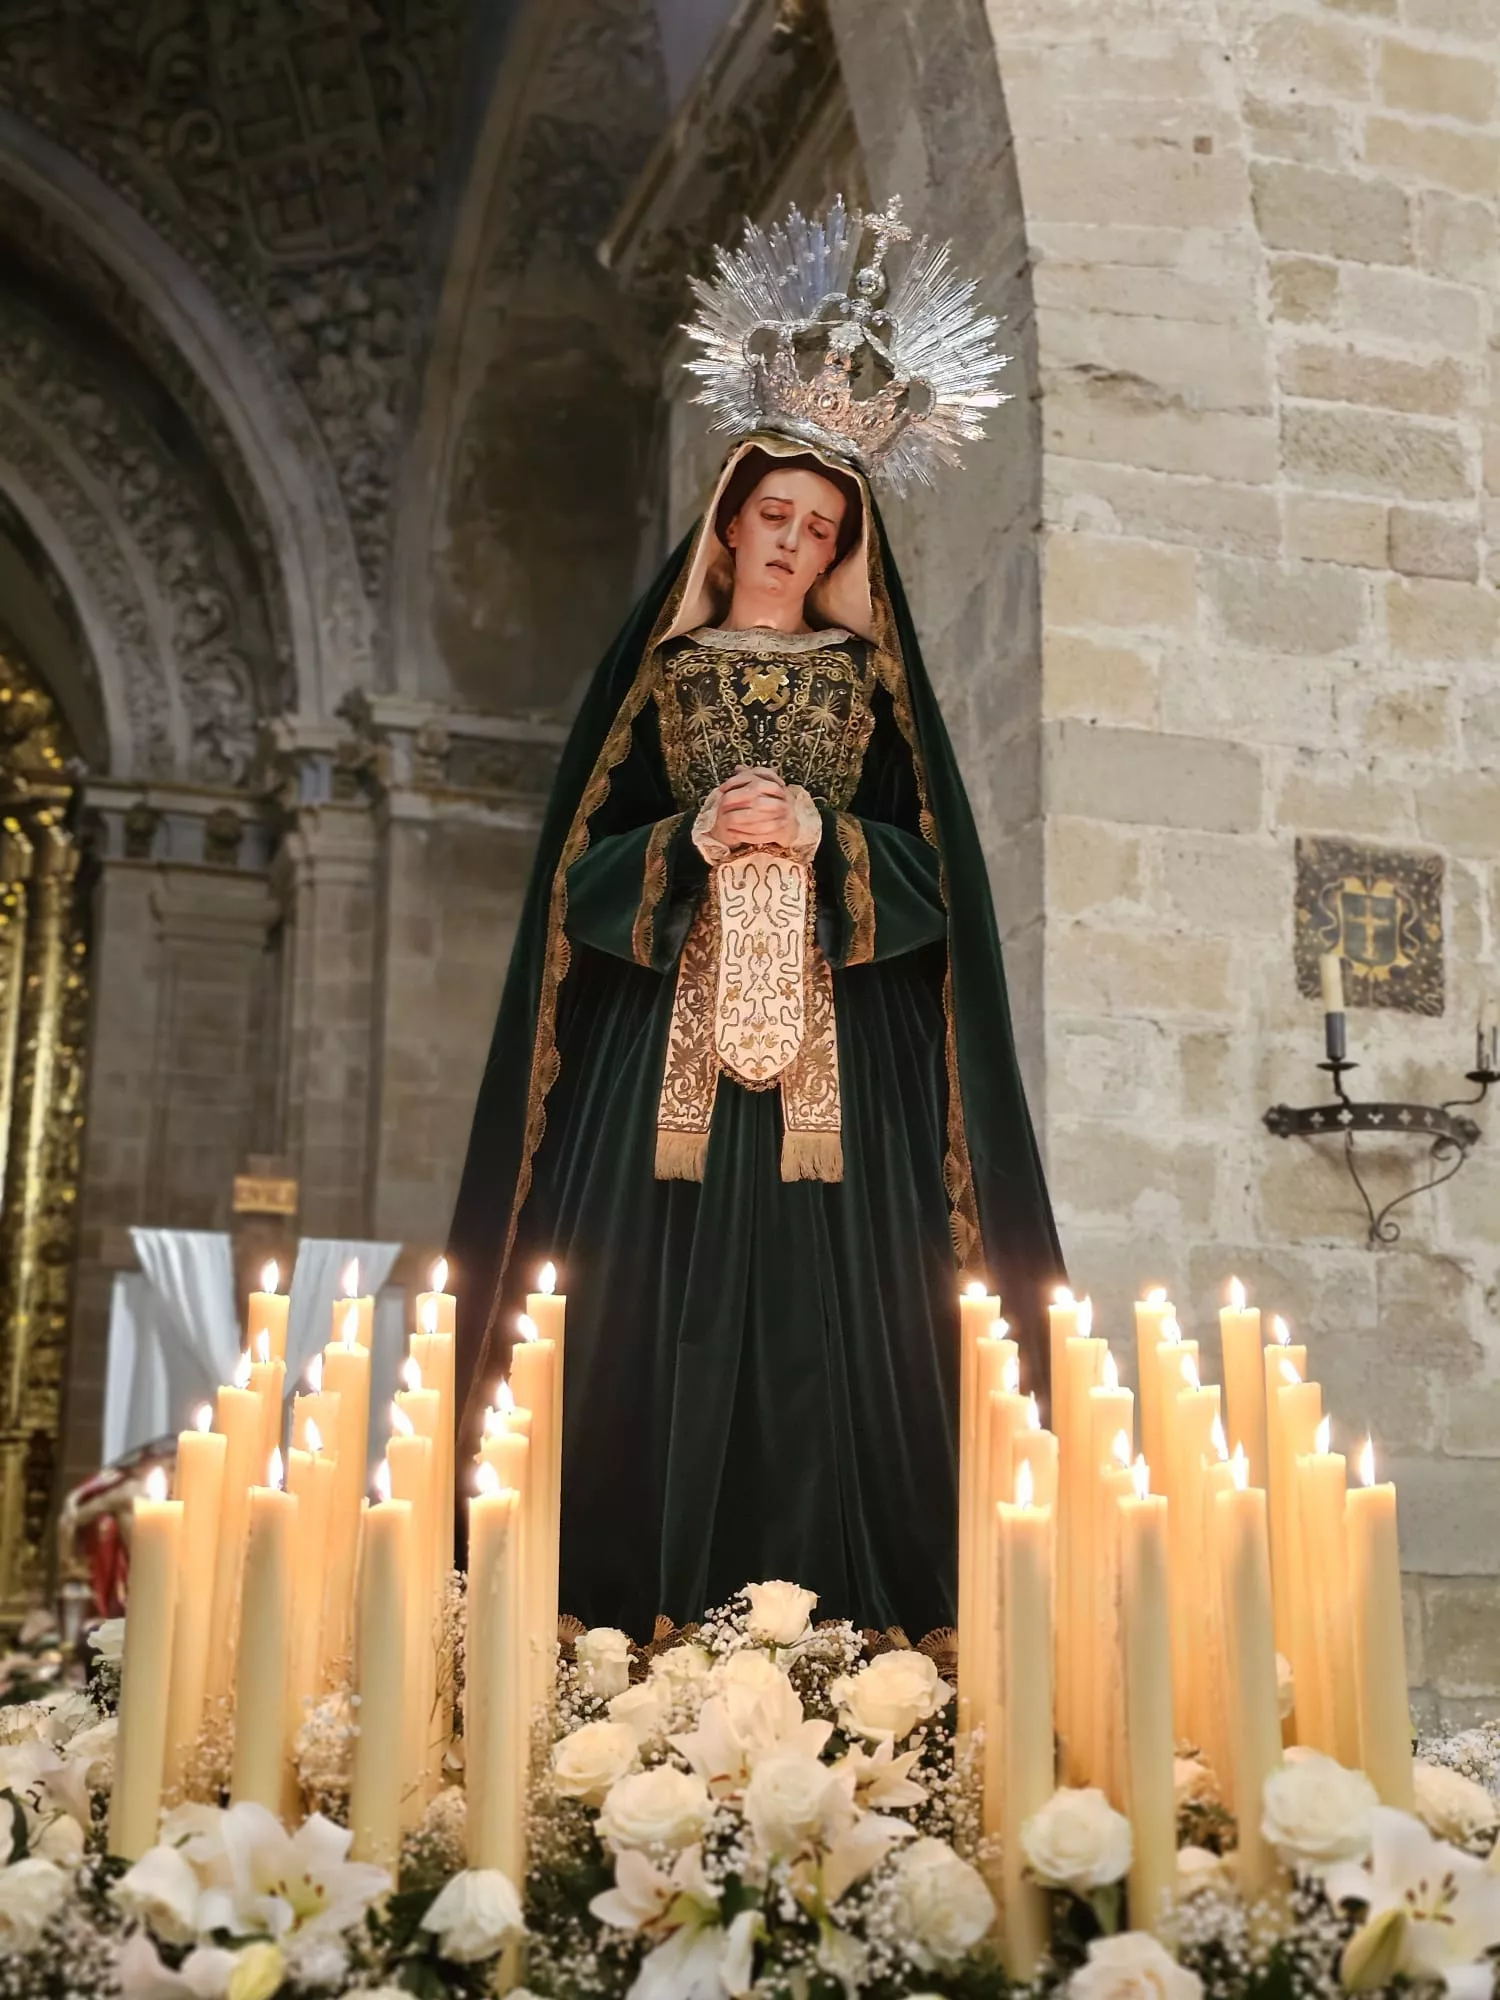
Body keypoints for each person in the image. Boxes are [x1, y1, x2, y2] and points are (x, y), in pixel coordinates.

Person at [449, 198, 1063, 1640]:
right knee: (630, 1306)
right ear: (727, 522)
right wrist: (689, 838)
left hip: (851, 1069)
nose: (792, 541)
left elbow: (940, 884)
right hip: (653, 1054)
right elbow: (577, 882)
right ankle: (614, 1612)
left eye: (821, 525)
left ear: (846, 542)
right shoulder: (657, 682)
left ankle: (849, 1614)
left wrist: (826, 836)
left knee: (850, 1320)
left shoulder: (874, 685)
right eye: (773, 516)